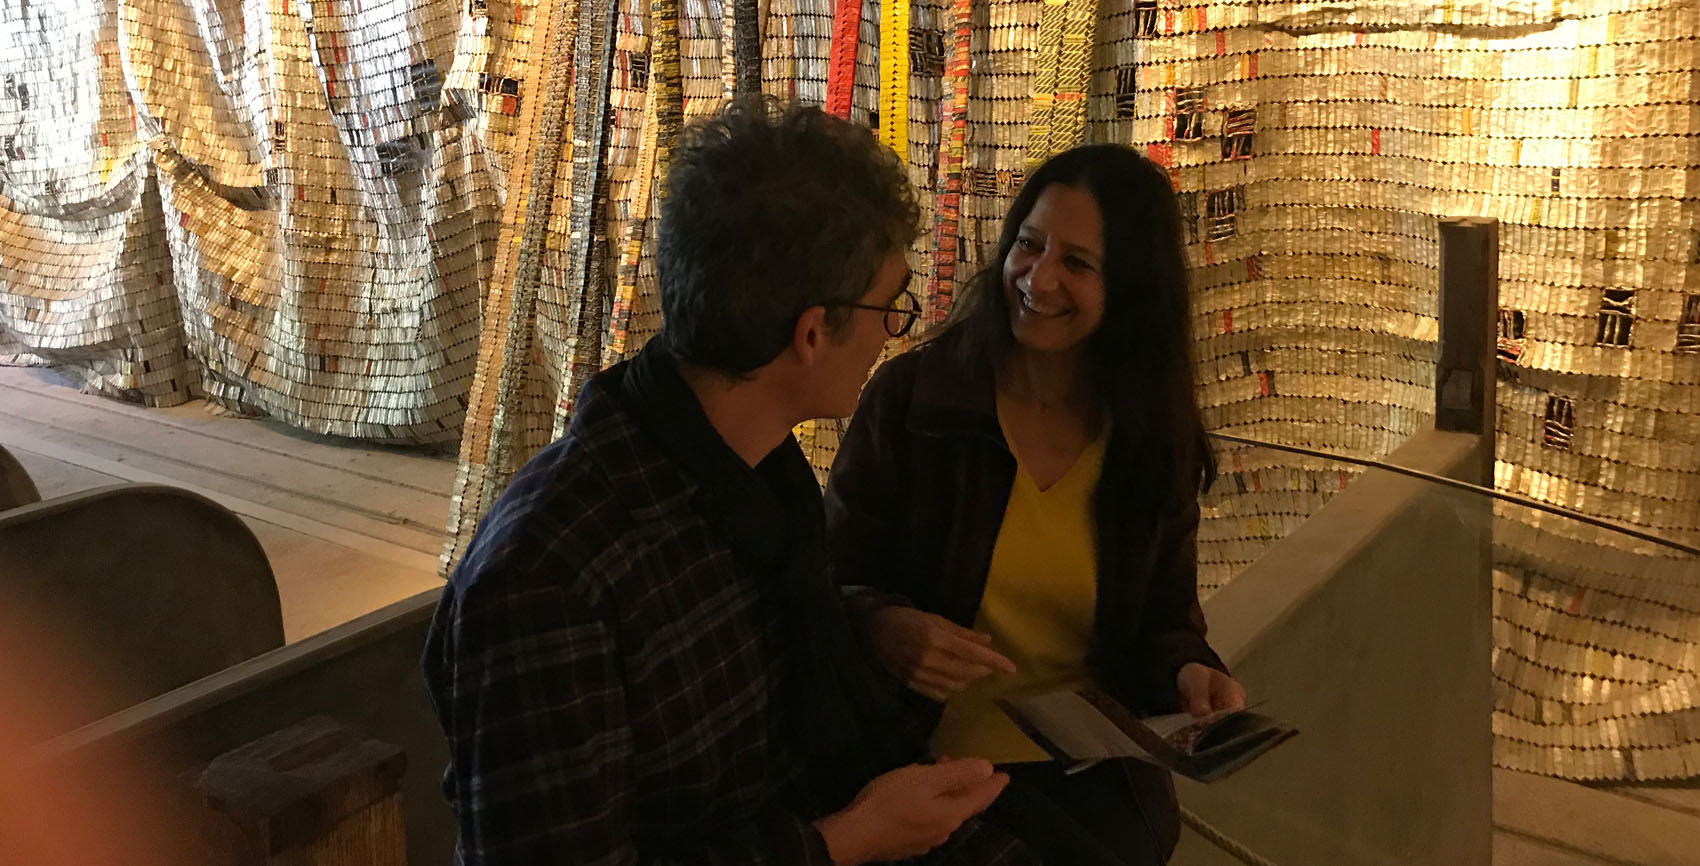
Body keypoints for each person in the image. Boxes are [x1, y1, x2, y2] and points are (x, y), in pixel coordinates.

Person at [422, 98, 1035, 866]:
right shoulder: (548, 578)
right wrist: (850, 838)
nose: (891, 332)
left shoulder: (762, 479)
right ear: (812, 333)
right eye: (890, 307)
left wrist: (866, 628)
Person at [823, 143, 1247, 866]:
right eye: (1028, 243)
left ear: (1132, 289)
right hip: (921, 761)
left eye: (1077, 264)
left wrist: (1191, 673)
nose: (1039, 277)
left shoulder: (1148, 437)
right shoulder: (915, 401)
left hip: (1088, 768)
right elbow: (824, 583)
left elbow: (1163, 623)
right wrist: (884, 626)